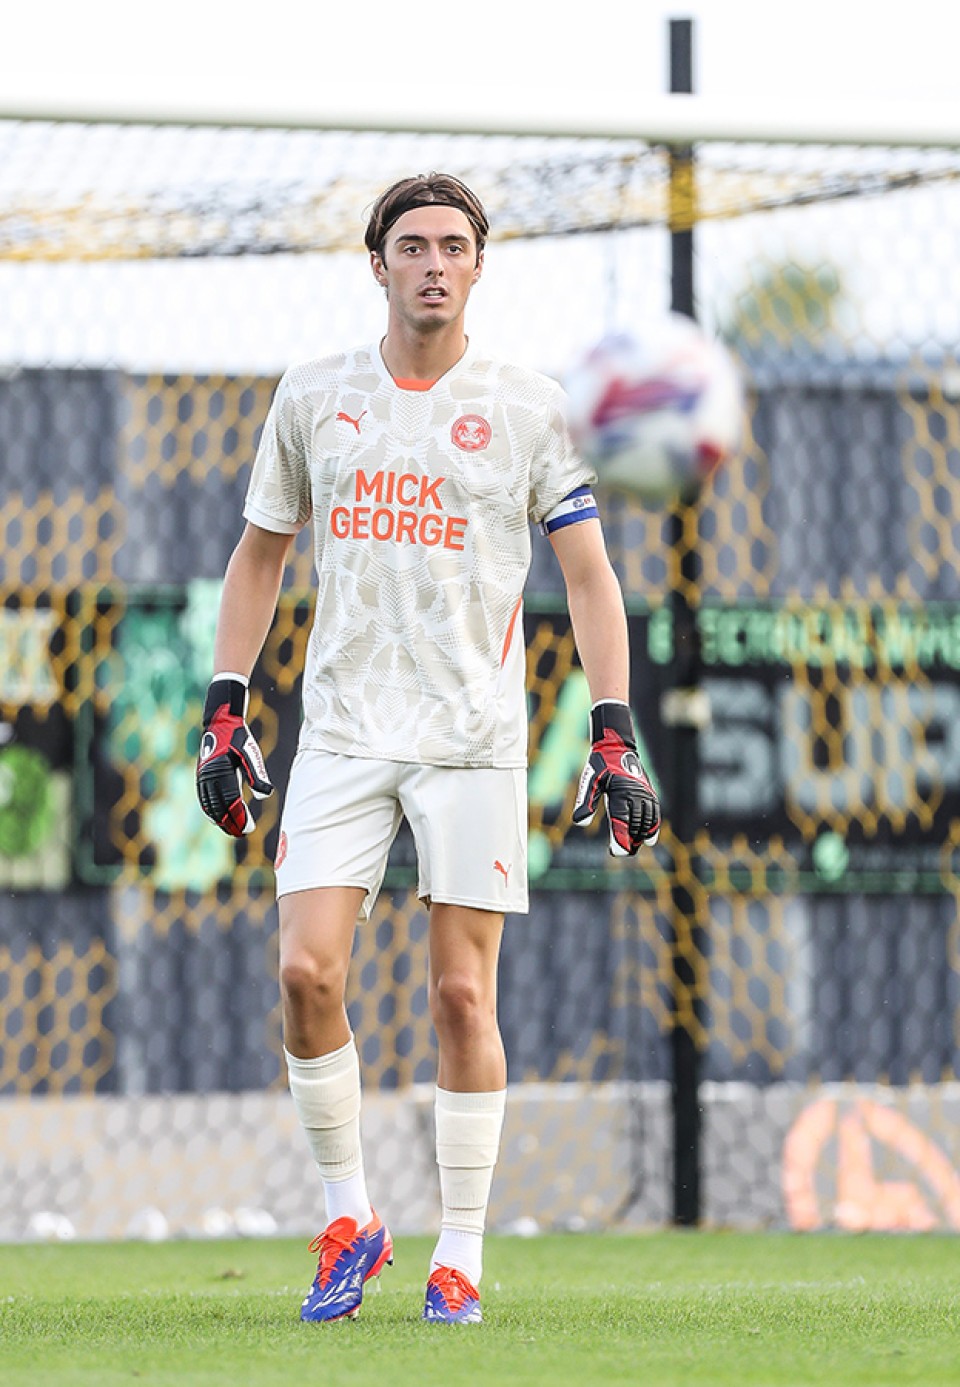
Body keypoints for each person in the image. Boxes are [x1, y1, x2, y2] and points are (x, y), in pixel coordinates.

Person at [195, 172, 661, 1326]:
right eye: (414, 245)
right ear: (379, 265)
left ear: (479, 265)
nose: (435, 263)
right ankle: (349, 1216)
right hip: (344, 729)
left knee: (461, 994)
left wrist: (615, 735)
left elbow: (592, 579)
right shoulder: (314, 396)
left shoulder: (529, 408)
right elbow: (259, 556)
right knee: (306, 973)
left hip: (471, 739)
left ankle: (461, 1251)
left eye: (455, 245)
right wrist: (224, 703)